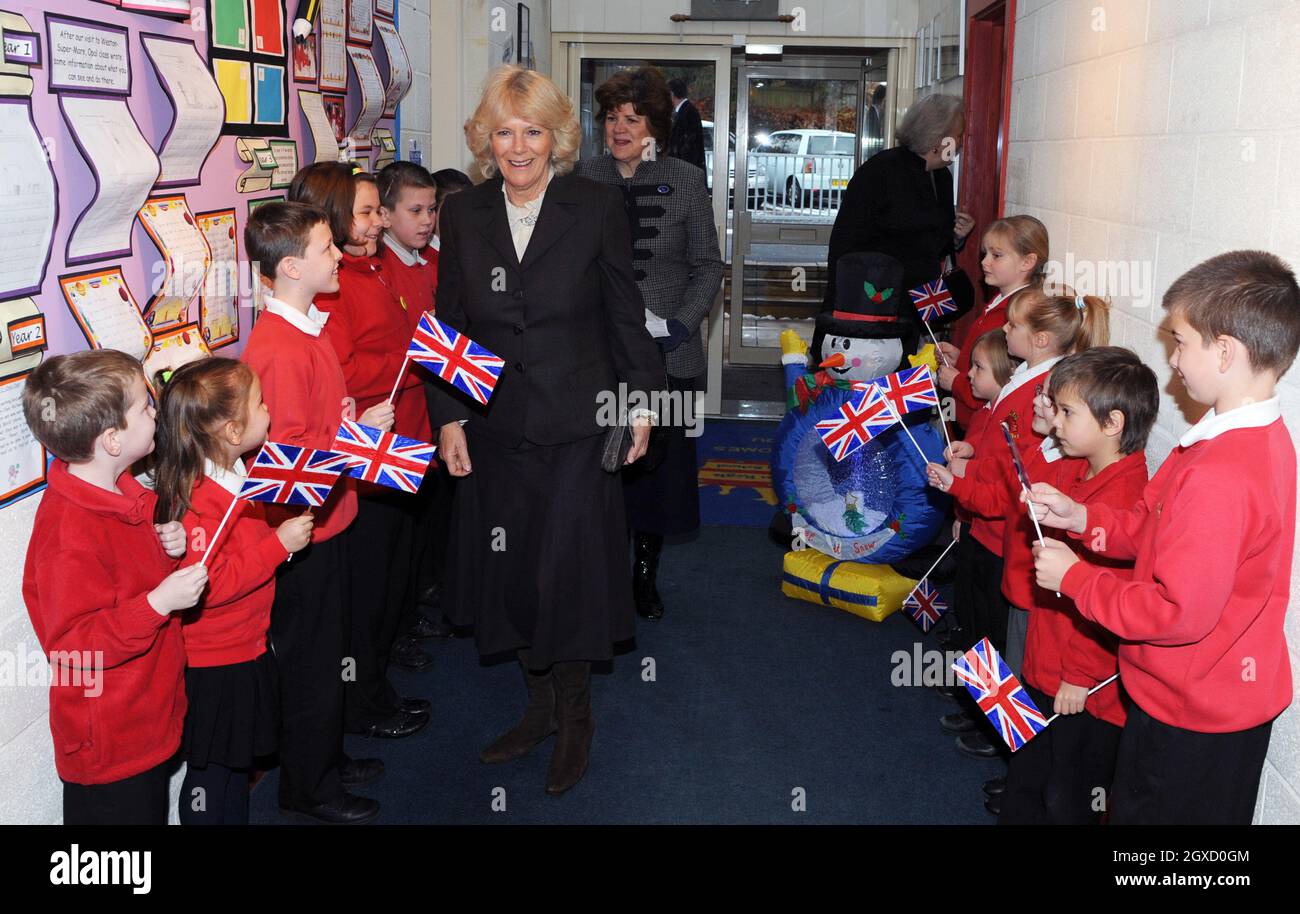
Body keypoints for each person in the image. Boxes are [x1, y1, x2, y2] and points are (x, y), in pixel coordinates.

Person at [432, 64, 664, 794]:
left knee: (569, 573)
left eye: (533, 130)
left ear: (557, 137)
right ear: (485, 138)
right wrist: (450, 419)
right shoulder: (463, 214)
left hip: (578, 425)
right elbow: (450, 325)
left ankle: (576, 716)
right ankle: (536, 708)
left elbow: (624, 315)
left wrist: (641, 405)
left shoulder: (594, 206)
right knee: (514, 575)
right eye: (504, 131)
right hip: (499, 430)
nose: (519, 146)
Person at [1029, 251, 1300, 825]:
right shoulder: (1242, 438)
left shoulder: (1220, 470)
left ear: (1225, 351)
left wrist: (1076, 578)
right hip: (1207, 701)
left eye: (1180, 342)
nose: (1173, 359)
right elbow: (1156, 531)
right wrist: (1082, 519)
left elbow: (1176, 611)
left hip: (1191, 714)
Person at [242, 200, 387, 825]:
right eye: (329, 249)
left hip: (334, 521)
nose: (341, 255)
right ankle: (308, 785)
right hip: (305, 534)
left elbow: (315, 428)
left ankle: (325, 757)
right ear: (295, 267)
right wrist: (351, 444)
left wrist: (350, 422)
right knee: (310, 666)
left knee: (331, 656)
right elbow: (287, 466)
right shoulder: (277, 348)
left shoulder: (311, 327)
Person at [21, 349, 206, 825]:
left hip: (148, 718)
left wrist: (171, 547)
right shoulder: (68, 532)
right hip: (109, 745)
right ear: (111, 440)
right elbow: (71, 648)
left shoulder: (126, 494)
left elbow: (132, 581)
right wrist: (157, 604)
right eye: (144, 407)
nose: (155, 411)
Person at [932, 286, 1109, 761]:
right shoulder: (1028, 377)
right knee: (977, 625)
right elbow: (995, 440)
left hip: (998, 533)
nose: (1004, 330)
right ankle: (983, 712)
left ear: (1043, 340)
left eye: (1013, 326)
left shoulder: (1042, 390)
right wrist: (970, 453)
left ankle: (997, 732)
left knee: (993, 635)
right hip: (985, 521)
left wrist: (964, 493)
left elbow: (1016, 475)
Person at [576, 66, 723, 620]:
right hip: (598, 353)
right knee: (600, 464)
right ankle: (600, 573)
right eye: (612, 118)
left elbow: (709, 265)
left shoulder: (685, 179)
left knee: (656, 470)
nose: (620, 128)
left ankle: (643, 575)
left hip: (670, 353)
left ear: (654, 125)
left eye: (632, 119)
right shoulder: (582, 178)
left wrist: (682, 325)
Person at [288, 163, 431, 730]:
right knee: (369, 585)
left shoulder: (372, 269)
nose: (376, 223)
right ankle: (365, 700)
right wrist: (415, 357)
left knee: (392, 575)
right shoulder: (330, 288)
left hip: (397, 442)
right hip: (366, 449)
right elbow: (344, 374)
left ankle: (376, 682)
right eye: (366, 213)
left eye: (376, 211)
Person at [153, 358, 314, 824]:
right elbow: (209, 584)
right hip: (215, 664)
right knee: (211, 772)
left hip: (247, 647)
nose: (268, 409)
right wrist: (277, 547)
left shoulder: (239, 473)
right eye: (260, 403)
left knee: (235, 765)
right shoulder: (198, 499)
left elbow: (249, 545)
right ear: (229, 429)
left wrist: (280, 535)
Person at [824, 93, 976, 318]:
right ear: (938, 138)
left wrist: (957, 237)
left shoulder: (942, 177)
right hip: (873, 301)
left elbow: (934, 244)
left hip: (917, 304)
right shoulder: (881, 171)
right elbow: (846, 242)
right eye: (958, 136)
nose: (961, 143)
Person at [937, 215, 1048, 430]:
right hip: (967, 424)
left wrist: (957, 382)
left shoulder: (1015, 317)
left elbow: (1001, 382)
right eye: (985, 254)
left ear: (1027, 262)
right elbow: (992, 360)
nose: (984, 262)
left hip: (982, 426)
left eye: (996, 255)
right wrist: (963, 360)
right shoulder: (998, 302)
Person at [665, 77, 706, 171]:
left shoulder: (688, 113)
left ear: (671, 94)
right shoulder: (685, 111)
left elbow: (689, 146)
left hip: (686, 170)